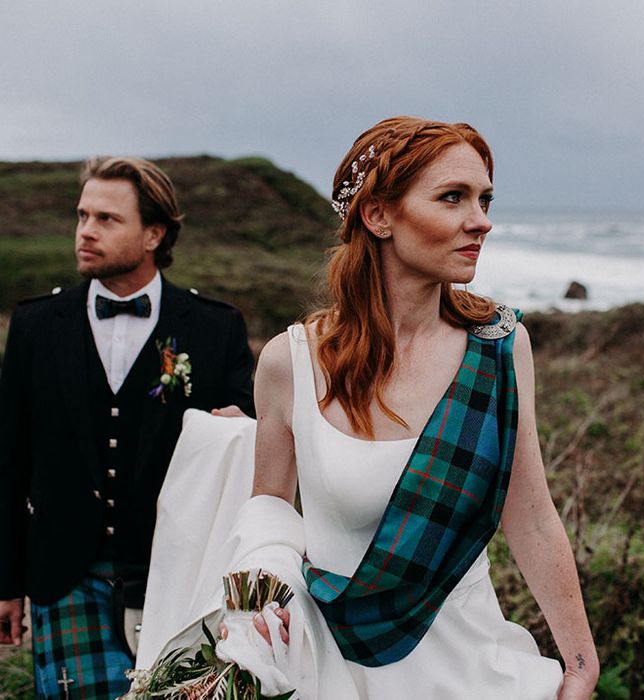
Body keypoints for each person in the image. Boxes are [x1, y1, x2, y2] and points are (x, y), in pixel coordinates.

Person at [243, 116, 599, 698]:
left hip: (474, 670)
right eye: (452, 197)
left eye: (484, 198)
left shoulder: (502, 350)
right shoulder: (292, 362)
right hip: (331, 665)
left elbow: (531, 514)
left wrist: (581, 663)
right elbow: (270, 506)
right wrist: (258, 602)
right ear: (378, 215)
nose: (481, 220)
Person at [0, 156, 256, 698]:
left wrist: (239, 425)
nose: (85, 231)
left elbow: (247, 450)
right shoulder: (35, 326)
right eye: (82, 215)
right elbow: (9, 461)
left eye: (107, 219)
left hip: (179, 573)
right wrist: (5, 583)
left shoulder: (214, 328)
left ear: (154, 234)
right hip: (64, 572)